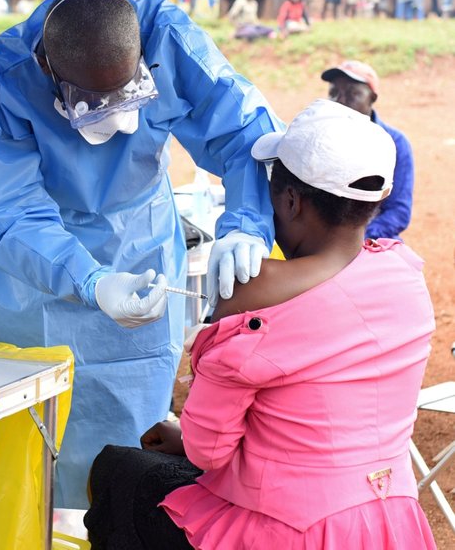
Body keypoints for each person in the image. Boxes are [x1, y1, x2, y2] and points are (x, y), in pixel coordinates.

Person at [0, 0, 282, 509]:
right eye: (91, 100)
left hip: (139, 240)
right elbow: (10, 209)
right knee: (24, 442)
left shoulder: (166, 36)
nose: (117, 117)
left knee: (126, 436)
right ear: (46, 68)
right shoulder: (0, 75)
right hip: (26, 274)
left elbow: (244, 133)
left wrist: (247, 223)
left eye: (127, 92)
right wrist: (89, 279)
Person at [84, 99, 436, 549]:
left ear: (290, 201)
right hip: (389, 520)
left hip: (294, 532)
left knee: (120, 470)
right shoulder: (406, 277)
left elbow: (209, 451)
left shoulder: (252, 304)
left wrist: (184, 432)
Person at [322, 60, 413, 240]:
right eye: (333, 93)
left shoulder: (396, 143)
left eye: (352, 94)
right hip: (323, 240)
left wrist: (358, 239)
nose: (339, 101)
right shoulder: (319, 139)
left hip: (370, 239)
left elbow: (399, 212)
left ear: (372, 98)